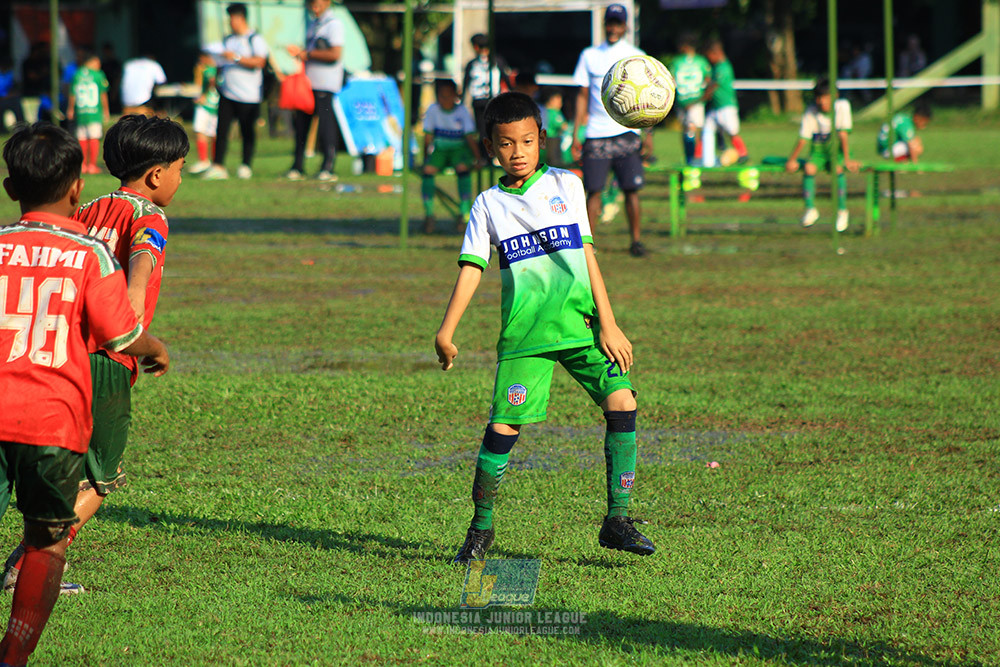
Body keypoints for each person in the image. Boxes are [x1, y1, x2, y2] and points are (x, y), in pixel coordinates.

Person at [435, 92, 654, 565]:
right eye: (507, 143)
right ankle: (481, 528)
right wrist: (446, 330)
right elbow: (472, 267)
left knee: (623, 400)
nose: (518, 151)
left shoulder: (568, 184)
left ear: (542, 141)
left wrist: (609, 324)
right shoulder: (488, 205)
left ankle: (617, 520)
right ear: (489, 147)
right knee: (503, 425)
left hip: (581, 326)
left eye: (528, 141)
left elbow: (588, 255)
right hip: (526, 336)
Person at [0, 122, 169, 665]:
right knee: (100, 476)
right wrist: (141, 322)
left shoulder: (89, 211)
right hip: (96, 363)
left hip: (42, 361)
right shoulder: (149, 217)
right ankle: (28, 576)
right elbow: (141, 262)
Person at [572, 4, 648, 257]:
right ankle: (587, 246)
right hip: (596, 133)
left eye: (618, 23)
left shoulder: (636, 55)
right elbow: (582, 95)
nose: (613, 27)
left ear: (626, 26)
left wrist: (647, 134)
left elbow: (648, 99)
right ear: (604, 24)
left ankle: (636, 241)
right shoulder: (589, 55)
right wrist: (576, 133)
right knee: (593, 190)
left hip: (627, 133)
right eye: (610, 23)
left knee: (631, 190)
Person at [203, 3, 270, 180]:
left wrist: (236, 57)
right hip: (227, 92)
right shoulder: (228, 39)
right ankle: (218, 165)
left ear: (241, 18)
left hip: (249, 95)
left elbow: (260, 62)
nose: (230, 22)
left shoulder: (254, 39)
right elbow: (221, 61)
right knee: (221, 130)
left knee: (247, 130)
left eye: (232, 18)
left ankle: (246, 165)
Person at [784, 78, 860, 232]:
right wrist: (791, 160)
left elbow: (843, 135)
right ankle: (810, 209)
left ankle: (842, 210)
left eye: (825, 97)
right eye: (819, 98)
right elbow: (803, 138)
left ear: (834, 96)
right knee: (809, 169)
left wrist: (847, 159)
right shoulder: (811, 110)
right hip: (819, 150)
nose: (822, 102)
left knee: (837, 169)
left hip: (836, 150)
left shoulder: (842, 107)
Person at [285, 0, 345, 182]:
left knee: (326, 125)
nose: (314, 6)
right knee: (302, 125)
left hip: (325, 84)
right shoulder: (313, 24)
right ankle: (298, 165)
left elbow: (335, 54)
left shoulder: (334, 24)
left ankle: (328, 166)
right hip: (308, 83)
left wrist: (308, 54)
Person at [421, 78, 481, 233]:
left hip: (459, 149)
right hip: (440, 149)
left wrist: (477, 157)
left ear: (456, 95)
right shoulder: (433, 110)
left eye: (448, 95)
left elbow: (469, 137)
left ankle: (464, 213)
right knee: (428, 171)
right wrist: (425, 157)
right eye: (442, 96)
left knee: (462, 168)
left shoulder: (462, 111)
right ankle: (429, 215)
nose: (445, 99)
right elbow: (428, 136)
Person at [462, 33, 511, 155]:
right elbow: (507, 79)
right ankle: (489, 154)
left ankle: (486, 154)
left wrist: (462, 99)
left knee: (483, 129)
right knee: (492, 128)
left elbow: (466, 83)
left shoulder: (474, 64)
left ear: (476, 47)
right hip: (491, 100)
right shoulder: (497, 61)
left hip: (482, 100)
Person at [701, 39, 748, 167]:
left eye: (709, 55)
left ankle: (743, 153)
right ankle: (707, 159)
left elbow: (714, 85)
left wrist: (702, 97)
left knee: (732, 131)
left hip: (726, 105)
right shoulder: (716, 67)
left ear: (715, 53)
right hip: (717, 106)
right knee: (707, 129)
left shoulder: (724, 67)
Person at [670, 32, 711, 166]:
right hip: (684, 103)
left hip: (695, 102)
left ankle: (696, 159)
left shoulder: (698, 61)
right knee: (687, 130)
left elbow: (708, 78)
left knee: (694, 129)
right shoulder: (680, 61)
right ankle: (689, 159)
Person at [67, 52, 110, 175]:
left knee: (82, 138)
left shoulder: (77, 74)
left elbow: (72, 94)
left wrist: (71, 109)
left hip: (81, 111)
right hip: (94, 111)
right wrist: (106, 110)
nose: (99, 65)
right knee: (93, 138)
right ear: (92, 62)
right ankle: (92, 165)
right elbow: (103, 94)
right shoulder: (98, 75)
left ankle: (83, 165)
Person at [190, 51, 220, 174]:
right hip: (215, 103)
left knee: (202, 130)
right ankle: (212, 161)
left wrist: (203, 95)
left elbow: (210, 82)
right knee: (211, 132)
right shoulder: (219, 68)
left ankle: (205, 160)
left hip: (207, 103)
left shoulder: (207, 69)